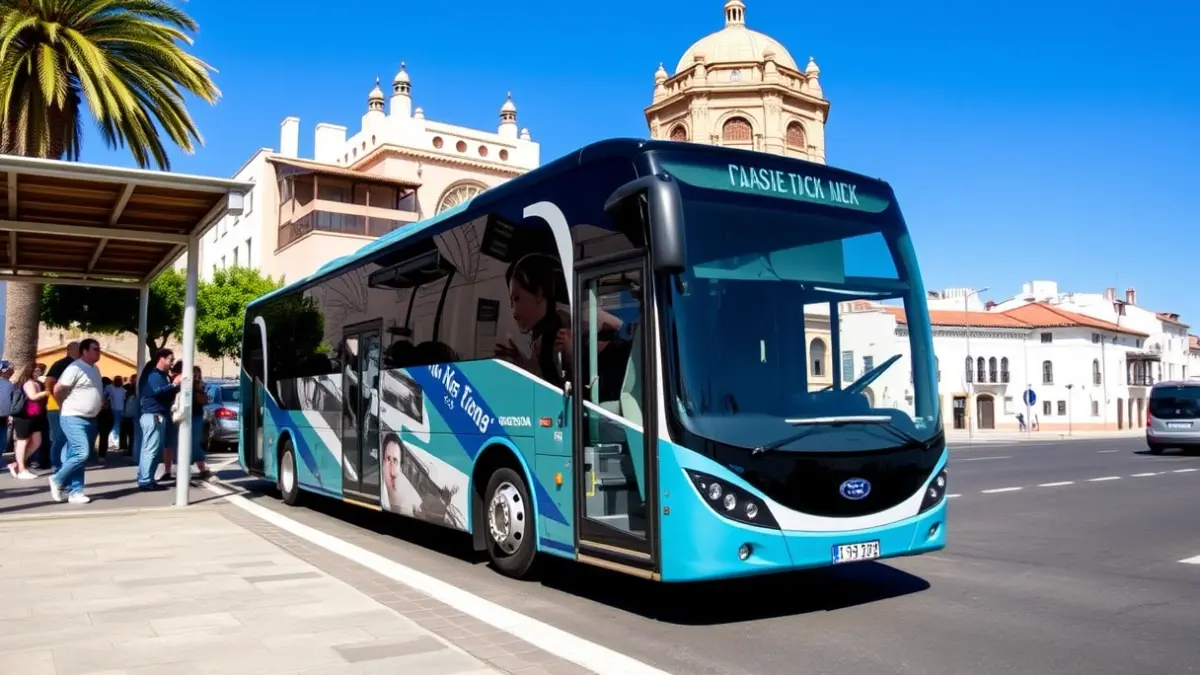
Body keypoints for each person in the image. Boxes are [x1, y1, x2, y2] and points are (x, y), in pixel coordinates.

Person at [48, 339, 104, 504]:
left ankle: (76, 491)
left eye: (99, 349)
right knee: (81, 452)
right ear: (84, 351)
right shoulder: (75, 368)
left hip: (90, 418)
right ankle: (57, 479)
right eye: (95, 349)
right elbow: (58, 388)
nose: (98, 351)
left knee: (76, 455)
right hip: (73, 417)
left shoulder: (95, 369)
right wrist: (62, 405)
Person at [136, 348, 181, 491]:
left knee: (153, 450)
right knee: (151, 450)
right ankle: (145, 481)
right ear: (161, 358)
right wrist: (174, 384)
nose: (171, 363)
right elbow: (158, 391)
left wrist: (174, 385)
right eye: (170, 359)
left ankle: (147, 478)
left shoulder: (162, 375)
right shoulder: (154, 374)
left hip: (157, 415)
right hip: (153, 415)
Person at [43, 341, 80, 472]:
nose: (80, 351)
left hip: (71, 407)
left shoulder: (79, 365)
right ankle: (56, 465)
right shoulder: (61, 364)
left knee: (68, 437)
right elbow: (49, 382)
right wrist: (58, 401)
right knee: (59, 436)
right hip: (56, 407)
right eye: (78, 349)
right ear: (69, 350)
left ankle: (65, 464)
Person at [8, 363, 49, 479]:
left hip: (36, 416)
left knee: (37, 442)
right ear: (30, 371)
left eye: (40, 370)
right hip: (24, 416)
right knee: (23, 442)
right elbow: (33, 396)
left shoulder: (37, 383)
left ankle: (17, 464)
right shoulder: (28, 383)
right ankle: (22, 470)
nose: (39, 372)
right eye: (36, 370)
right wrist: (47, 392)